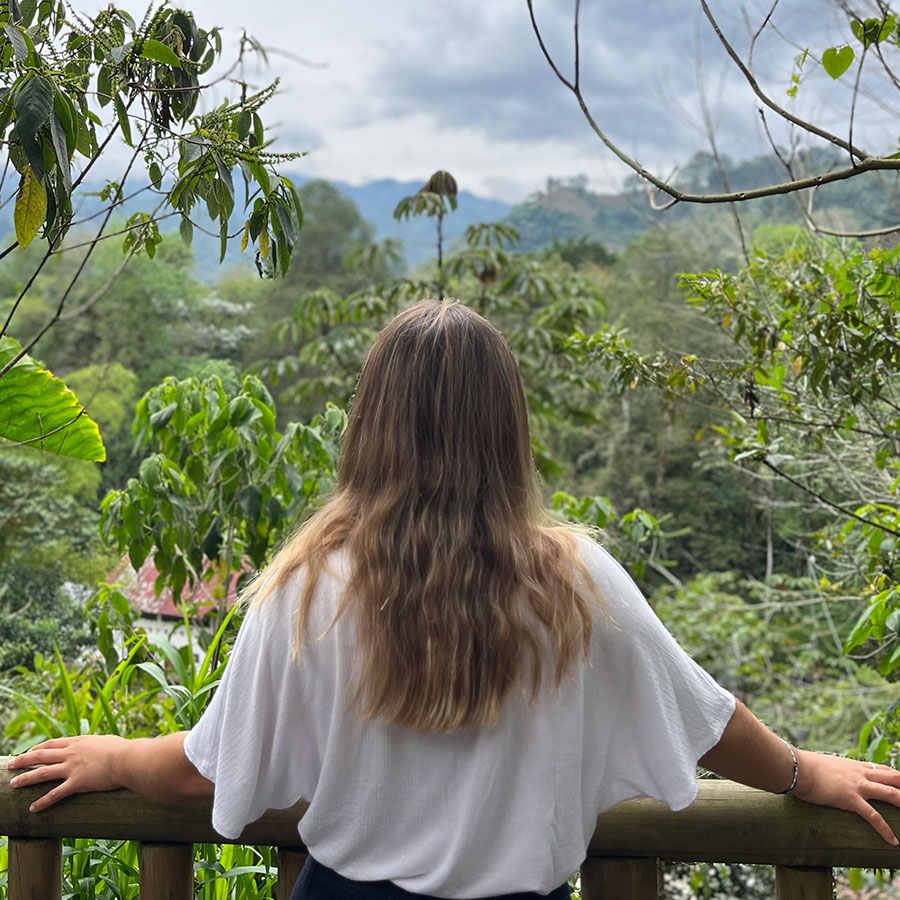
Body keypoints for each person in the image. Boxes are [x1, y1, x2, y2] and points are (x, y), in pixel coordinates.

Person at [8, 299, 900, 899]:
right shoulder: (576, 582)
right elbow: (704, 719)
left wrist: (119, 758)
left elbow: (208, 769)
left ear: (368, 424)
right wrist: (802, 772)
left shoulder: (310, 587)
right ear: (507, 428)